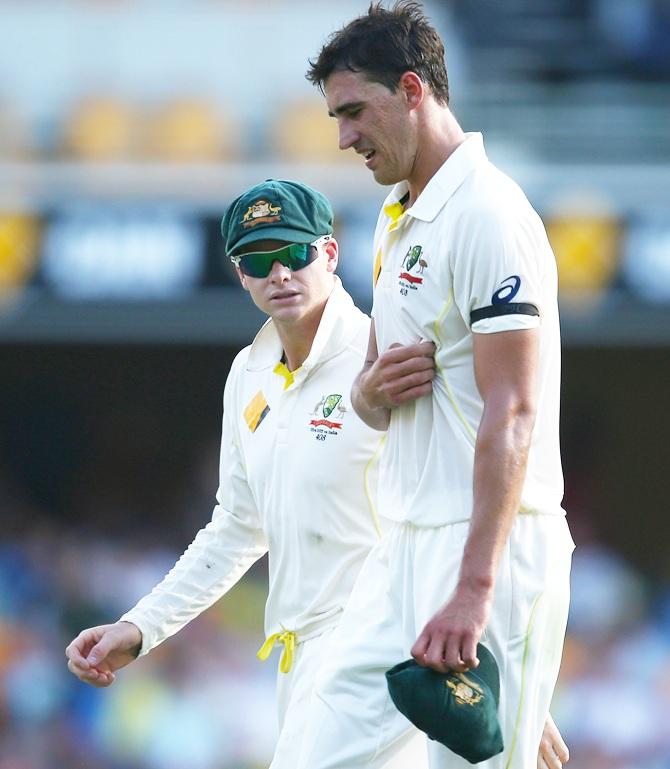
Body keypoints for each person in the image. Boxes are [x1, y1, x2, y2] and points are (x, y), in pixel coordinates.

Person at [64, 179, 567, 769]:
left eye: (295, 254)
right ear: (239, 273)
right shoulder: (247, 374)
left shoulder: (384, 350)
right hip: (298, 655)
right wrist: (141, 626)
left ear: (329, 254)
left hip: (386, 642)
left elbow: (456, 488)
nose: (280, 274)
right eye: (258, 260)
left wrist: (498, 659)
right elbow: (237, 525)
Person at [296, 3, 575, 769]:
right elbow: (374, 389)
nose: (344, 137)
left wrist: (479, 595)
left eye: (354, 112)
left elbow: (513, 412)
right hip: (404, 551)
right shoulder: (395, 215)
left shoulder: (488, 213)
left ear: (413, 90)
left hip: (490, 550)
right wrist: (365, 396)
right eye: (335, 117)